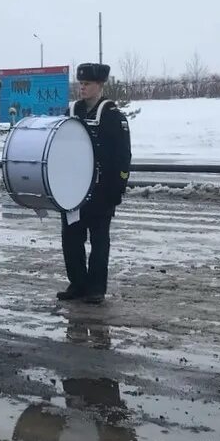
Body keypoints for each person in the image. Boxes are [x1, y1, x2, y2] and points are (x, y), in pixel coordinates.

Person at [59, 63, 132, 304]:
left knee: (99, 240)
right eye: (80, 84)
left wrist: (118, 188)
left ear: (100, 86)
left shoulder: (112, 116)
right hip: (72, 190)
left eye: (87, 84)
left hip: (101, 191)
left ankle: (96, 288)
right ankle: (77, 283)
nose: (82, 88)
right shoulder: (70, 113)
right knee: (71, 239)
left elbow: (123, 155)